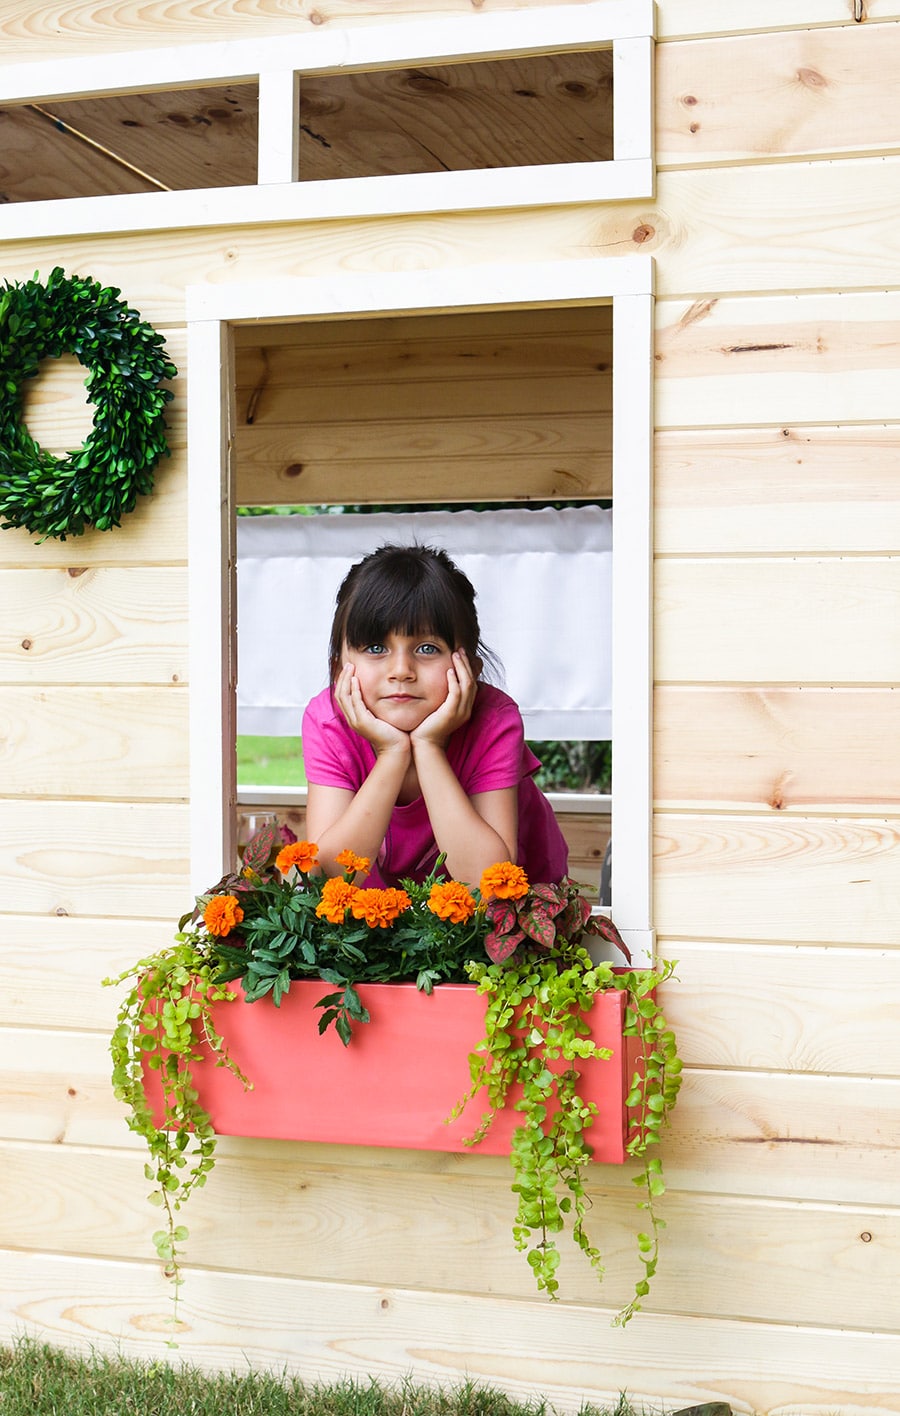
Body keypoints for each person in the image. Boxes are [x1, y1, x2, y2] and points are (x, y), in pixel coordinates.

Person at [302, 543, 569, 888]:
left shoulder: (494, 721)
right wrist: (392, 754)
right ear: (340, 667)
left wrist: (429, 746)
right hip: (385, 920)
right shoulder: (328, 722)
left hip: (510, 916)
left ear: (469, 670)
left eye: (427, 649)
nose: (401, 670)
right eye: (375, 648)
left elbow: (487, 884)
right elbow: (328, 878)